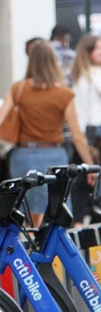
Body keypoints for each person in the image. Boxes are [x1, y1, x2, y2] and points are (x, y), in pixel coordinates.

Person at [0, 39, 96, 228]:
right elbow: (77, 135)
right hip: (53, 156)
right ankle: (47, 246)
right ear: (53, 61)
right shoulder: (64, 94)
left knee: (28, 212)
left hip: (22, 156)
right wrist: (89, 165)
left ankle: (31, 243)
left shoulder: (19, 89)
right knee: (56, 211)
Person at [70, 33, 101, 226]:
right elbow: (80, 114)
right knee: (83, 188)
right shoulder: (86, 77)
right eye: (96, 48)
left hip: (91, 134)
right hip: (90, 136)